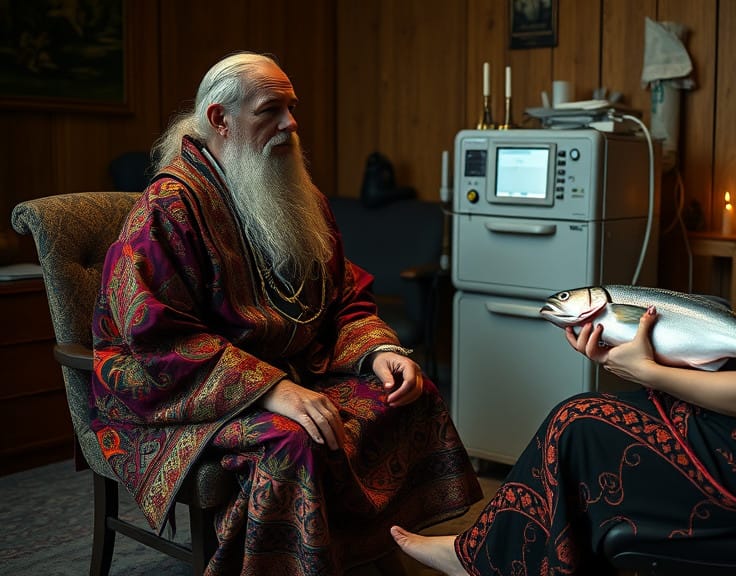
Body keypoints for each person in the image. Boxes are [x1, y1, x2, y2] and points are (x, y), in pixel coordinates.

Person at [391, 51, 736, 575]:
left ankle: (479, 559)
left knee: (578, 425)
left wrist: (649, 371)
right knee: (587, 418)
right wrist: (647, 352)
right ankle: (486, 553)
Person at [91, 51, 482, 575]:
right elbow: (157, 338)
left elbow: (340, 295)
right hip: (176, 392)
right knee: (292, 440)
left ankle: (372, 546)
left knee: (408, 392)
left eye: (291, 107)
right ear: (220, 119)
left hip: (291, 366)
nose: (291, 123)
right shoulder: (166, 209)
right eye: (270, 110)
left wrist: (379, 351)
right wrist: (271, 390)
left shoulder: (299, 195)